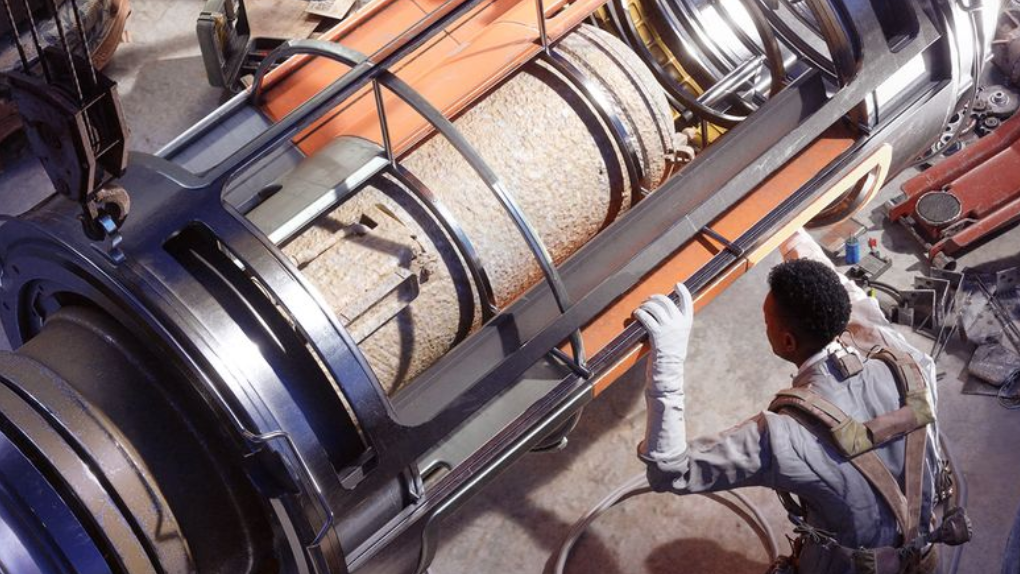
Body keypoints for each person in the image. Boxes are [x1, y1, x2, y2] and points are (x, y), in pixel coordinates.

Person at [633, 229, 957, 574]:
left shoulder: (786, 439)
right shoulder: (911, 364)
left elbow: (670, 471)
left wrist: (667, 361)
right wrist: (787, 231)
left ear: (787, 342)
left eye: (767, 322)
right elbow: (847, 294)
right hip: (923, 553)